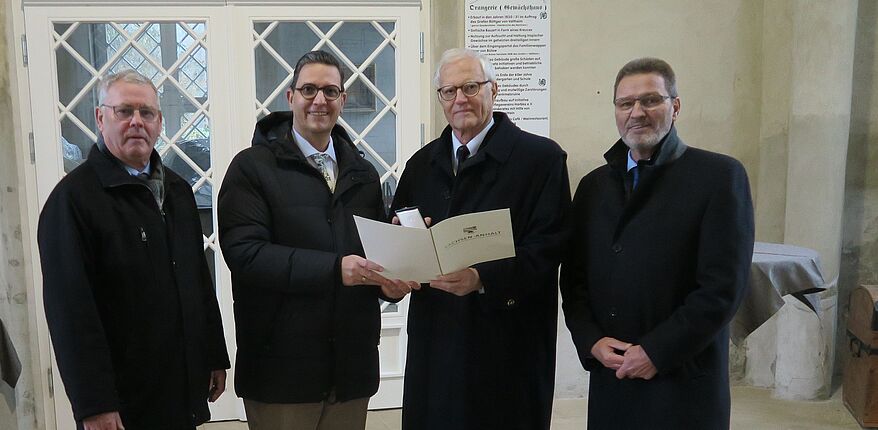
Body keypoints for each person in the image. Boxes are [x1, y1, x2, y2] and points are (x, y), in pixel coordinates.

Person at [218, 50, 415, 430]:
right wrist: (334, 269)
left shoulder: (363, 173)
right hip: (281, 370)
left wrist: (391, 283)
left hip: (351, 368)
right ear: (290, 97)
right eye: (309, 89)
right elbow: (246, 254)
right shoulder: (252, 168)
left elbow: (371, 259)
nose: (319, 100)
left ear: (342, 99)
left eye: (330, 90)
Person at [560, 57, 755, 429]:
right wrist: (591, 341)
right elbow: (574, 279)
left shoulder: (719, 177)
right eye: (625, 103)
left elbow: (722, 288)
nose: (637, 112)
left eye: (650, 100)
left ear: (675, 106)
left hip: (682, 378)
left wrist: (656, 351)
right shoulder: (594, 186)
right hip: (612, 376)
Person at [38, 69, 230, 430]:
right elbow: (71, 315)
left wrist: (213, 354)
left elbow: (198, 282)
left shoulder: (178, 192)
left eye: (147, 113)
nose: (137, 122)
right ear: (100, 117)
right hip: (121, 402)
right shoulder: (73, 201)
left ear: (159, 123)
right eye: (124, 111)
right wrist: (94, 404)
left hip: (178, 389)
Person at [391, 48, 571, 430]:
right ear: (439, 98)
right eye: (449, 91)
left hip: (506, 341)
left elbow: (550, 246)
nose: (460, 99)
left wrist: (482, 277)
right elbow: (400, 230)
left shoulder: (541, 159)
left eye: (471, 87)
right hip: (435, 338)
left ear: (494, 90)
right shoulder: (421, 165)